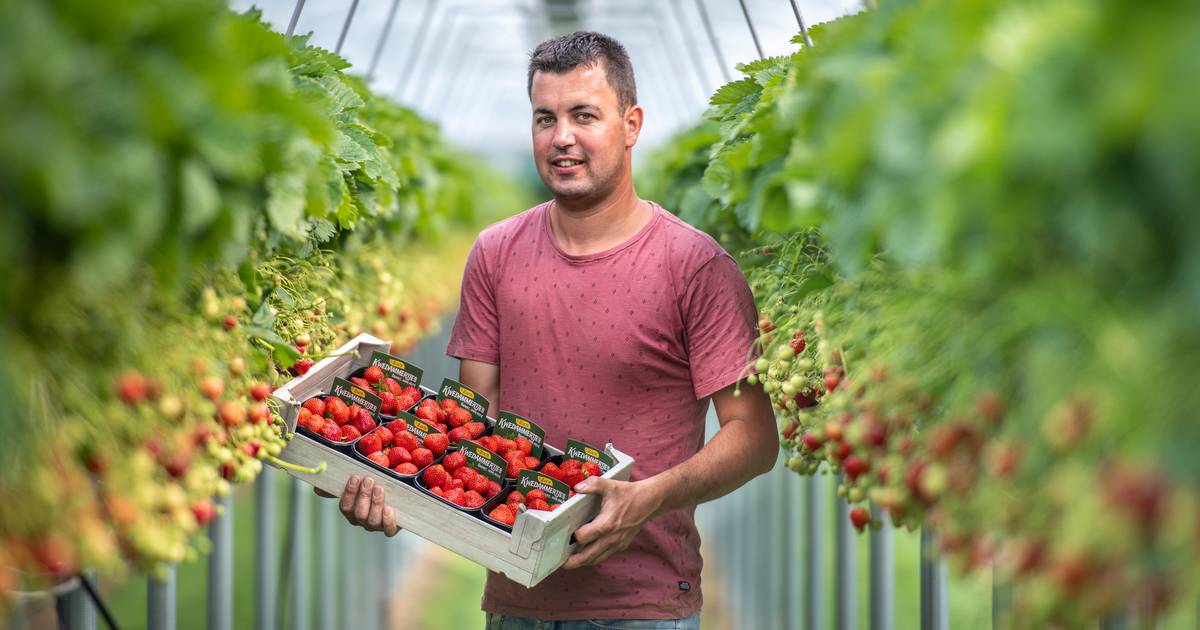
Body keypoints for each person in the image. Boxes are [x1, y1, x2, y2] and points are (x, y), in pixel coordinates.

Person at [326, 31, 778, 629]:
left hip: (643, 608)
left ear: (632, 125)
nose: (562, 136)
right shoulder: (495, 253)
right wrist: (385, 479)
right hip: (516, 599)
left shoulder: (695, 267)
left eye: (584, 115)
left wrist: (648, 498)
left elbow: (755, 436)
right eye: (546, 118)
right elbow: (471, 428)